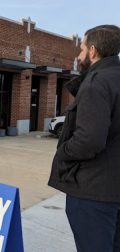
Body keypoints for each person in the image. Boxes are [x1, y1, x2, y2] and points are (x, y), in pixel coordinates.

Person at [47, 25, 120, 252]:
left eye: (81, 50)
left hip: (94, 192)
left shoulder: (96, 82)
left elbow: (90, 138)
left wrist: (63, 151)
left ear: (92, 51)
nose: (78, 56)